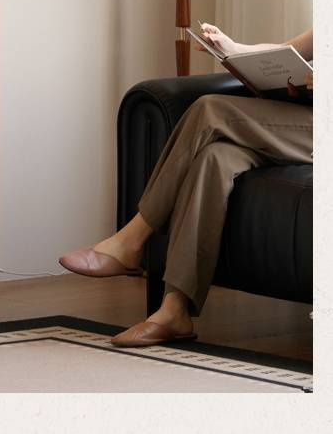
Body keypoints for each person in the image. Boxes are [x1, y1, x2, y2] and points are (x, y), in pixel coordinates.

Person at [58, 25, 313, 348]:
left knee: (210, 109)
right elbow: (288, 52)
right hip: (304, 124)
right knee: (215, 158)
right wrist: (233, 48)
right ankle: (173, 310)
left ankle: (131, 239)